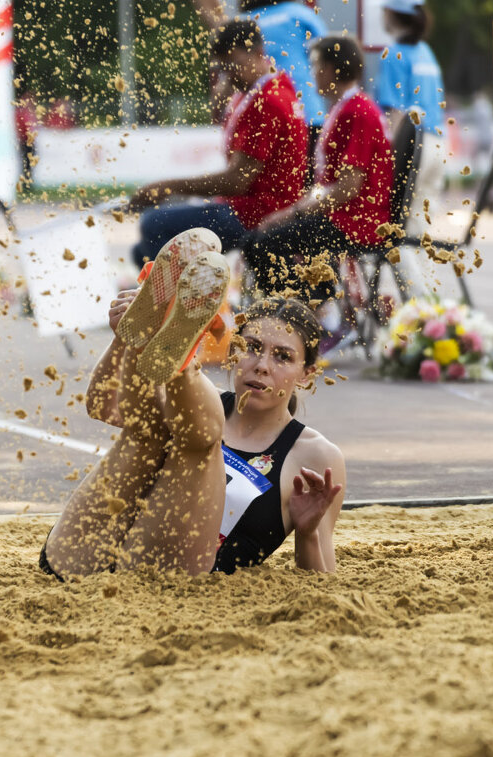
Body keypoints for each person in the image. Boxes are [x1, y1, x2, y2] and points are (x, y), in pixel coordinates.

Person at [40, 228, 345, 578]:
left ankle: (180, 360)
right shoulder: (201, 404)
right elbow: (102, 407)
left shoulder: (317, 456)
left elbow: (324, 582)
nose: (262, 365)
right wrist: (123, 340)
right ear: (233, 355)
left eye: (282, 357)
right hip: (79, 555)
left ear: (306, 374)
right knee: (148, 430)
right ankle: (152, 340)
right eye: (252, 348)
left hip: (166, 581)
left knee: (199, 441)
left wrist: (307, 533)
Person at [127, 19, 307, 268]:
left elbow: (237, 181)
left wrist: (168, 187)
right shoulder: (267, 88)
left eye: (234, 64)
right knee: (141, 252)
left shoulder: (268, 101)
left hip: (257, 212)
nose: (229, 74)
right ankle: (179, 298)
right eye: (222, 68)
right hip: (247, 205)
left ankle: (186, 302)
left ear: (258, 54)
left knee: (153, 224)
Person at [242, 35, 394, 302]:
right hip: (345, 216)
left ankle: (303, 316)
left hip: (357, 221)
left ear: (333, 68)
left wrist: (294, 211)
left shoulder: (357, 111)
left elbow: (348, 187)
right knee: (260, 238)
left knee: (262, 244)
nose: (312, 73)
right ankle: (319, 306)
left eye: (316, 65)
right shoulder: (346, 106)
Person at [192, 0, 327, 178]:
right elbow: (330, 54)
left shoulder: (243, 22)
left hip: (263, 109)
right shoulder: (299, 13)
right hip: (308, 114)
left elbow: (228, 66)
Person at [375, 0, 445, 290]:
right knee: (420, 233)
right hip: (437, 144)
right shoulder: (426, 52)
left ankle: (421, 312)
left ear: (392, 13)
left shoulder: (394, 54)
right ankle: (432, 305)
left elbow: (395, 115)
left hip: (412, 147)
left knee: (397, 235)